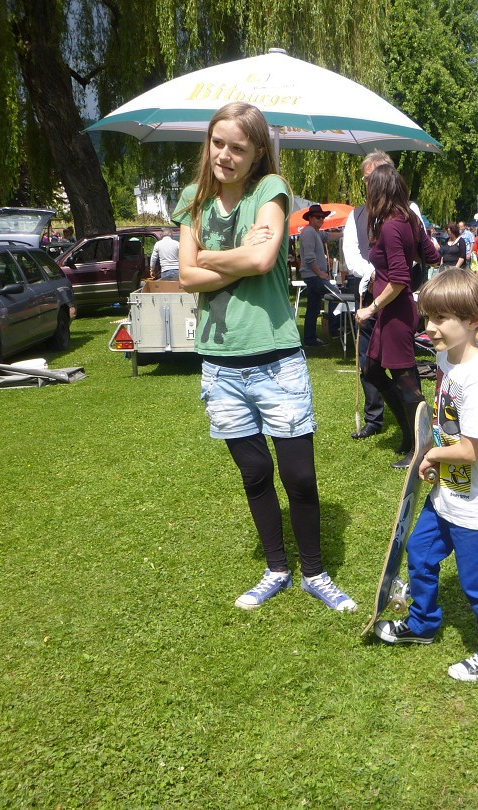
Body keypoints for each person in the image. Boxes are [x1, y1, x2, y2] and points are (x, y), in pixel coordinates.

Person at [174, 101, 355, 612]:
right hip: (220, 364)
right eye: (218, 143)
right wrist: (231, 261)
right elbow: (185, 277)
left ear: (257, 156)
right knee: (254, 475)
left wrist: (208, 257)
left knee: (299, 477)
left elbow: (262, 258)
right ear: (207, 142)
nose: (225, 156)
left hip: (277, 361)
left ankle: (314, 572)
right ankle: (277, 567)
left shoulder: (269, 193)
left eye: (238, 148)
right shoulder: (191, 202)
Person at [373, 268, 478, 682]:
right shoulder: (445, 358)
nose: (429, 328)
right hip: (447, 495)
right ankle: (423, 624)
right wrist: (436, 455)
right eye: (426, 317)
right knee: (420, 553)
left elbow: (469, 450)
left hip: (477, 503)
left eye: (440, 320)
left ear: (472, 322)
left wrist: (428, 455)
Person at [355, 165, 440, 469]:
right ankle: (409, 433)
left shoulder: (392, 226)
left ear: (380, 191)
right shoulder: (411, 220)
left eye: (369, 188)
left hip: (396, 312)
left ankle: (422, 447)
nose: (367, 193)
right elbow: (433, 256)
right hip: (394, 312)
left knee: (408, 383)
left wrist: (370, 308)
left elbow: (400, 279)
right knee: (373, 371)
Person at [342, 150, 396, 440]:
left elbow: (414, 255)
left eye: (373, 177)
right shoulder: (357, 214)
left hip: (396, 297)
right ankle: (374, 418)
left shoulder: (406, 211)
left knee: (401, 363)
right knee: (367, 361)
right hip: (367, 294)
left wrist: (388, 274)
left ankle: (409, 417)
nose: (368, 183)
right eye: (365, 179)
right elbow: (350, 254)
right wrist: (373, 272)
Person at [298, 203, 339, 346]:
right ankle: (335, 329)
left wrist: (346, 233)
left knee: (313, 308)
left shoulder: (315, 232)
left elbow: (328, 236)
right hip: (314, 277)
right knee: (336, 295)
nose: (321, 219)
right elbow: (309, 257)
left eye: (323, 217)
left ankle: (310, 339)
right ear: (310, 218)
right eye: (318, 217)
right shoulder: (309, 232)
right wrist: (320, 273)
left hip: (312, 277)